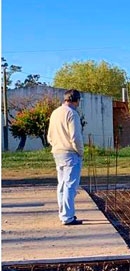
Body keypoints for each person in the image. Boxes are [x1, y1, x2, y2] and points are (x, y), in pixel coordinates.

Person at [47, 89, 84, 226]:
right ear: (77, 100)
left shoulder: (55, 113)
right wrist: (80, 151)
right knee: (70, 186)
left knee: (62, 185)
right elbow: (75, 137)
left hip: (57, 152)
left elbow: (49, 136)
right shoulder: (72, 114)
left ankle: (63, 213)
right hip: (70, 153)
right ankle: (68, 216)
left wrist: (56, 145)